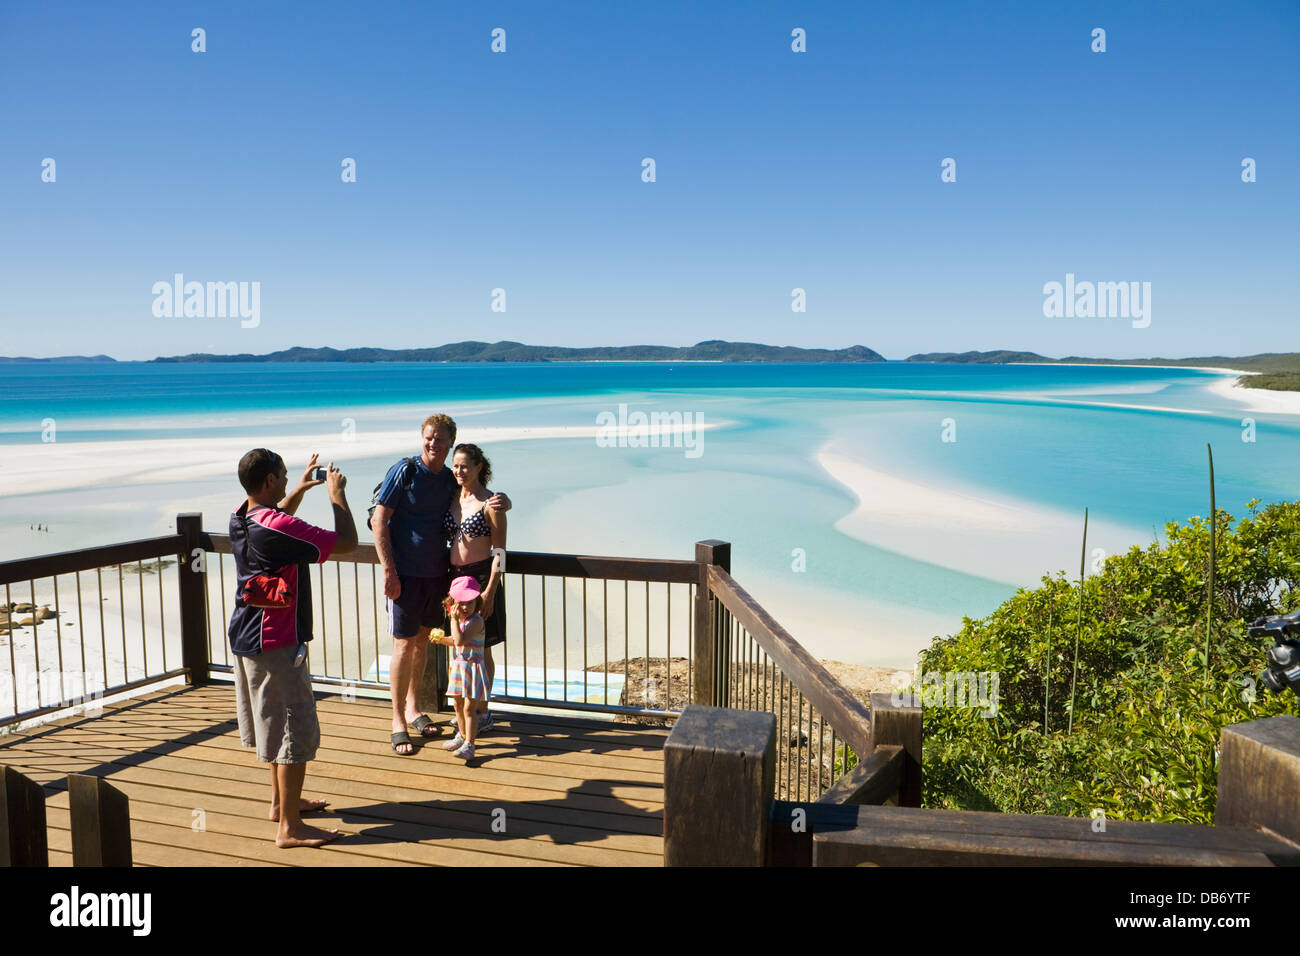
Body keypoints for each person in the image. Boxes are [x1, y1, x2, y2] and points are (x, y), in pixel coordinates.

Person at [229, 450, 357, 848]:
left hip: (249, 634)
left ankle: (281, 804)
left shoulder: (242, 516)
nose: (286, 482)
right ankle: (290, 828)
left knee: (273, 724)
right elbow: (349, 543)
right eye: (283, 477)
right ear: (268, 480)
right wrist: (337, 495)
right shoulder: (277, 527)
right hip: (277, 641)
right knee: (291, 729)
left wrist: (299, 489)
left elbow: (276, 516)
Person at [370, 414, 510, 755]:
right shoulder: (413, 474)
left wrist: (504, 501)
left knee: (446, 644)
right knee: (407, 644)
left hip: (458, 578)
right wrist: (388, 569)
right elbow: (379, 518)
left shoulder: (458, 486)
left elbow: (498, 540)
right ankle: (399, 719)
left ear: (451, 444)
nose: (434, 444)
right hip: (417, 576)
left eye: (441, 440)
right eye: (429, 438)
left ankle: (452, 710)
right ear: (423, 438)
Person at [445, 443, 507, 731]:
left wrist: (490, 591)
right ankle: (463, 711)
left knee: (484, 649)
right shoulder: (451, 498)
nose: (459, 471)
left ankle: (482, 712)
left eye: (465, 466)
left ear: (479, 466)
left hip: (482, 580)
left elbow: (500, 553)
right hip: (455, 581)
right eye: (455, 466)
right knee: (459, 647)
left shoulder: (491, 503)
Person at [433, 576, 489, 760]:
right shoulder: (461, 621)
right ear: (452, 603)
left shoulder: (476, 621)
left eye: (470, 602)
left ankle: (470, 745)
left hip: (473, 669)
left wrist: (453, 620)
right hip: (459, 667)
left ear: (477, 601)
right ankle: (462, 735)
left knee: (468, 708)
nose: (466, 607)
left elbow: (461, 639)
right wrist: (441, 640)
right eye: (461, 602)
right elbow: (456, 642)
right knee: (457, 704)